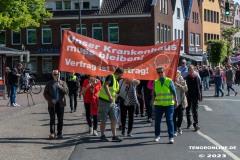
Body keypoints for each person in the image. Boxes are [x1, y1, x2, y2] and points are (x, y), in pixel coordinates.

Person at [98, 67, 124, 142]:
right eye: (122, 75)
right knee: (104, 119)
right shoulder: (111, 76)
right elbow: (106, 85)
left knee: (114, 119)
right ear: (120, 74)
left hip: (111, 102)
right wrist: (109, 96)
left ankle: (114, 136)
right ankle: (102, 135)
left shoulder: (116, 80)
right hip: (104, 101)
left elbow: (115, 92)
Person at [153, 66, 177, 144]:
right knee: (157, 121)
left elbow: (174, 92)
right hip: (158, 105)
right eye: (158, 72)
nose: (160, 74)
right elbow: (154, 94)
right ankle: (157, 135)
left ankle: (171, 137)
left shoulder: (169, 81)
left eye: (161, 72)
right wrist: (152, 103)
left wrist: (176, 100)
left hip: (169, 105)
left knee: (169, 120)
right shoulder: (155, 82)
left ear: (164, 72)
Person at [43, 70, 69, 139]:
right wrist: (51, 99)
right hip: (52, 104)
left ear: (59, 75)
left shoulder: (63, 83)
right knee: (52, 119)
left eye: (57, 74)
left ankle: (59, 133)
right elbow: (45, 94)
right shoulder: (49, 84)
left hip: (61, 104)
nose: (56, 75)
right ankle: (52, 133)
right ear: (52, 75)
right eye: (55, 74)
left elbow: (66, 92)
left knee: (60, 119)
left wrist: (59, 86)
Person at [185, 65, 202, 131]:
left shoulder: (196, 78)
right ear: (188, 71)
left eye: (192, 71)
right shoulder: (186, 78)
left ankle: (196, 123)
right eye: (190, 71)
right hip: (188, 96)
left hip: (195, 96)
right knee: (188, 110)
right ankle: (189, 123)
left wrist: (200, 96)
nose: (191, 72)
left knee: (195, 110)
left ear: (194, 71)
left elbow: (199, 87)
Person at [173, 70, 188, 137]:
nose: (176, 75)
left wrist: (178, 85)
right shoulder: (171, 81)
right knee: (173, 117)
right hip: (173, 102)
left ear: (179, 74)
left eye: (177, 74)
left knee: (180, 117)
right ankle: (175, 130)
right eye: (175, 74)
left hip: (181, 102)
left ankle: (179, 126)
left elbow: (186, 89)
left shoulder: (183, 81)